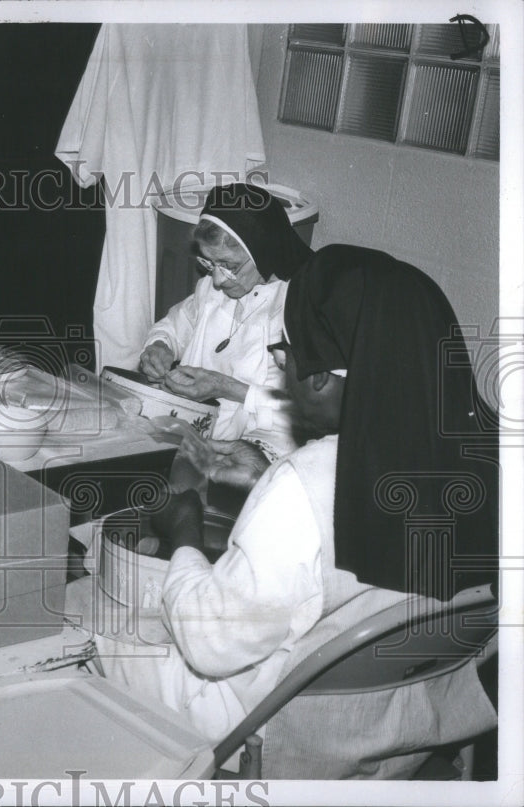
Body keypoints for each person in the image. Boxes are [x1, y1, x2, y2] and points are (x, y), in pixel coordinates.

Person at [95, 247, 499, 778]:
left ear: (321, 379)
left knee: (93, 618)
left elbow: (209, 643)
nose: (284, 383)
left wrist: (184, 527)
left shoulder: (305, 485)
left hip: (278, 731)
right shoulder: (490, 468)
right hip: (404, 727)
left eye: (285, 361)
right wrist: (268, 480)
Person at [138, 183, 312, 459]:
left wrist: (227, 388)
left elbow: (307, 408)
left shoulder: (300, 306)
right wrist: (160, 345)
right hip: (195, 430)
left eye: (229, 266)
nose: (217, 280)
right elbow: (174, 325)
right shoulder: (211, 289)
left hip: (263, 441)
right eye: (209, 263)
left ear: (262, 252)